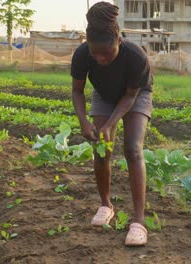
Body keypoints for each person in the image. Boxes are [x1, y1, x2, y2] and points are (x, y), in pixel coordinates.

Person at [70, 1, 153, 246]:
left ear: (118, 41)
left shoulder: (136, 56)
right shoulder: (82, 54)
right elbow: (77, 91)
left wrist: (111, 123)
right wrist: (84, 121)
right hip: (104, 94)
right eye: (95, 53)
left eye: (106, 53)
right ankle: (106, 205)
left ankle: (138, 221)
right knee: (101, 149)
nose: (100, 58)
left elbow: (129, 95)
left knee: (132, 149)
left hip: (135, 96)